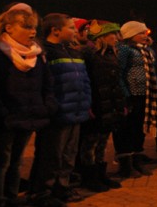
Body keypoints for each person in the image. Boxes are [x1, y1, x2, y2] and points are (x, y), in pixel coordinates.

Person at [0, 4, 59, 207]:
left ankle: (11, 197)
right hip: (5, 120)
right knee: (0, 163)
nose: (33, 31)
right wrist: (2, 114)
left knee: (16, 162)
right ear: (9, 28)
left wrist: (47, 105)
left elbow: (47, 84)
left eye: (34, 27)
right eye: (26, 27)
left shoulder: (36, 53)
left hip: (28, 116)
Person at [29, 13, 92, 204]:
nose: (75, 31)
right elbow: (44, 85)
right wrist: (51, 107)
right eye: (71, 28)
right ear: (55, 30)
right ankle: (43, 192)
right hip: (58, 113)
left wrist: (86, 103)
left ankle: (62, 188)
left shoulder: (73, 52)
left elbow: (84, 81)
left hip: (76, 111)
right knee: (51, 156)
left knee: (68, 155)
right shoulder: (44, 52)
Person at [79, 20, 125, 191]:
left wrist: (120, 103)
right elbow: (86, 80)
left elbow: (115, 82)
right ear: (102, 36)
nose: (117, 38)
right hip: (96, 103)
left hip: (108, 104)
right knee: (90, 142)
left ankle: (100, 174)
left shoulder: (111, 53)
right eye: (114, 34)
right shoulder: (89, 54)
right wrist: (88, 104)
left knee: (102, 142)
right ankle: (89, 178)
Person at [114, 21, 157, 178]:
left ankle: (137, 159)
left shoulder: (145, 50)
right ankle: (126, 164)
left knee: (139, 128)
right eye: (140, 33)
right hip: (132, 95)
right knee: (127, 129)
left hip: (145, 95)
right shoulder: (125, 50)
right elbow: (119, 73)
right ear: (130, 35)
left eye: (145, 33)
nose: (144, 36)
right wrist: (125, 95)